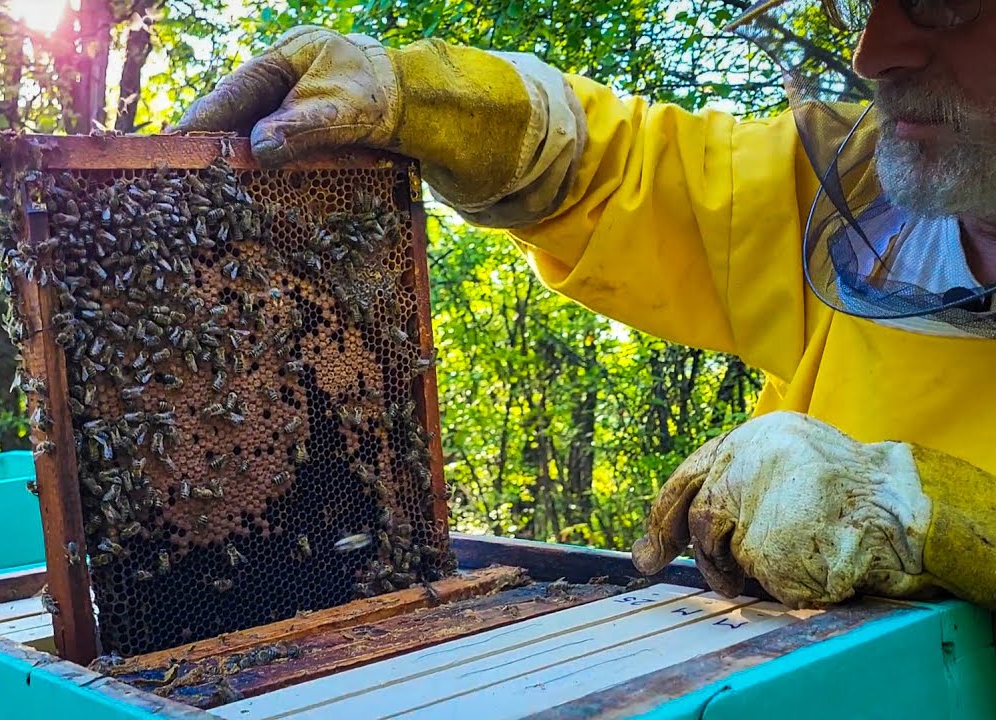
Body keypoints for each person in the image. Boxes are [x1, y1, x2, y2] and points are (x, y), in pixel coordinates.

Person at [172, 0, 996, 610]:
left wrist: (928, 508)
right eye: (863, 3)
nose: (873, 52)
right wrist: (420, 93)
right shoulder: (845, 194)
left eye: (941, 4)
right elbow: (630, 171)